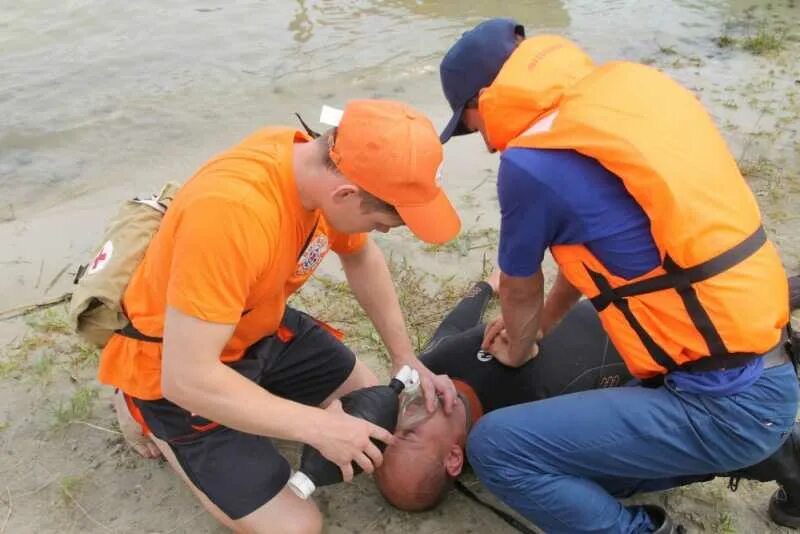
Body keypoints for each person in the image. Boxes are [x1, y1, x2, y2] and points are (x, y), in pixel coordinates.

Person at [438, 18, 798, 533]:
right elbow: (599, 252)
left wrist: (519, 345)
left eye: (470, 124)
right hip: (766, 362)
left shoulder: (530, 162)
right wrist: (542, 325)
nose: (482, 139)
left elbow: (518, 284)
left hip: (724, 403)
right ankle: (785, 454)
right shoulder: (623, 98)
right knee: (587, 466)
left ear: (482, 98)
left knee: (498, 447)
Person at [100, 99, 462, 534]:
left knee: (371, 407)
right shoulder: (233, 215)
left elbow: (361, 257)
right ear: (345, 194)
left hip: (259, 325)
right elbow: (186, 378)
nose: (384, 232)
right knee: (297, 526)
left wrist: (404, 356)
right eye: (388, 222)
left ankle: (256, 397)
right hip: (173, 367)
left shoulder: (317, 168)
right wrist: (317, 427)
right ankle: (140, 407)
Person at [375, 272, 800, 530]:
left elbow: (455, 326)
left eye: (391, 435)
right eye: (408, 439)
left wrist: (483, 287)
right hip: (699, 356)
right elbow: (643, 424)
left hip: (671, 308)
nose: (402, 422)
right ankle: (787, 456)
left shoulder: (430, 370)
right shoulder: (525, 431)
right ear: (453, 460)